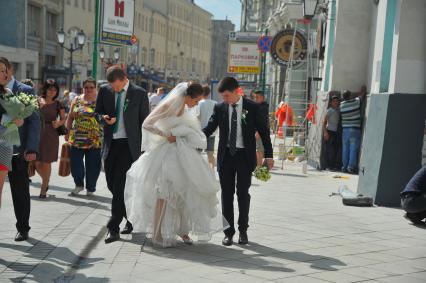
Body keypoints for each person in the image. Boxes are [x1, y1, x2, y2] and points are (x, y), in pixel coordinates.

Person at [124, 82, 226, 247]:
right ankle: (157, 233)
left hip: (183, 153)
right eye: (196, 100)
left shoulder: (186, 109)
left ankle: (182, 231)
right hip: (166, 154)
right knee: (163, 195)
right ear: (188, 96)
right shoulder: (168, 106)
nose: (196, 104)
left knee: (185, 193)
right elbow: (147, 124)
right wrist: (165, 134)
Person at [203, 77, 273, 246]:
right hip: (226, 156)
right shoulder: (220, 108)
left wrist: (269, 155)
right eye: (223, 97)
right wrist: (191, 137)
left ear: (237, 92)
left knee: (243, 194)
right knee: (226, 196)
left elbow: (264, 132)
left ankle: (243, 230)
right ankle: (228, 233)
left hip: (244, 157)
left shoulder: (253, 108)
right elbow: (209, 129)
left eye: (227, 96)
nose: (224, 99)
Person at [95, 65, 149, 244]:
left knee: (119, 186)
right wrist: (103, 118)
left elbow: (144, 121)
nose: (115, 90)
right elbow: (97, 113)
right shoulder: (104, 91)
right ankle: (130, 217)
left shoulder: (139, 93)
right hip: (111, 144)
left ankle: (113, 228)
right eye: (112, 87)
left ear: (124, 78)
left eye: (116, 86)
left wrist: (145, 148)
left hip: (129, 146)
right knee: (112, 184)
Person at [0, 57, 40, 241]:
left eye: (3, 69)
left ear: (10, 70)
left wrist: (31, 148)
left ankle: (23, 228)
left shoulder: (25, 90)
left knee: (19, 190)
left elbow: (34, 121)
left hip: (17, 150)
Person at [65, 78, 102, 196]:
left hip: (95, 138)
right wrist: (67, 131)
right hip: (77, 138)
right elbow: (70, 117)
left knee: (93, 165)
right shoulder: (76, 100)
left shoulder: (100, 100)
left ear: (95, 88)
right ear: (83, 88)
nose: (89, 89)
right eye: (86, 87)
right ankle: (79, 184)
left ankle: (90, 188)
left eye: (91, 87)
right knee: (76, 164)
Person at [35, 79, 66, 198]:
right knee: (37, 162)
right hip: (37, 132)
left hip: (51, 134)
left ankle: (43, 189)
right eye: (50, 89)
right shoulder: (37, 100)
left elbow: (63, 118)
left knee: (46, 161)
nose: (52, 91)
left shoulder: (59, 104)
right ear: (45, 89)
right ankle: (46, 181)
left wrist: (59, 123)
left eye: (54, 89)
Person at [0, 59, 25, 207]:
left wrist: (17, 119)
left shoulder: (8, 93)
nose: (5, 74)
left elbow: (19, 120)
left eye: (5, 70)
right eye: (1, 70)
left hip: (3, 146)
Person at [340, 90, 365, 173]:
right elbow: (362, 95)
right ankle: (350, 167)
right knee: (353, 149)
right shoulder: (355, 102)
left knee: (345, 149)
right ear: (350, 96)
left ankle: (344, 166)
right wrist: (362, 88)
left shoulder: (341, 105)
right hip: (354, 129)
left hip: (345, 130)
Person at [197, 85, 217, 169]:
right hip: (212, 132)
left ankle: (197, 170)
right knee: (210, 154)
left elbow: (197, 116)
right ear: (209, 93)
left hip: (200, 131)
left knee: (197, 153)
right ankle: (211, 171)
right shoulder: (215, 103)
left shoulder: (199, 103)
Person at [323, 95, 340, 171]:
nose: (335, 102)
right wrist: (325, 132)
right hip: (329, 131)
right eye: (334, 101)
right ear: (331, 102)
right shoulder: (329, 110)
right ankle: (328, 166)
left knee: (335, 150)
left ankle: (333, 165)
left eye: (337, 101)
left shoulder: (338, 110)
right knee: (329, 150)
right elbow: (324, 122)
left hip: (336, 132)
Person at [254, 90, 270, 167]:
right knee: (258, 149)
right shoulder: (259, 106)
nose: (255, 99)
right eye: (254, 97)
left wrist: (258, 132)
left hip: (260, 132)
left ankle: (259, 166)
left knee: (259, 149)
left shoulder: (262, 108)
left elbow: (262, 122)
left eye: (257, 97)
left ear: (262, 98)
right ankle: (259, 165)